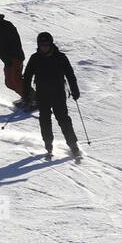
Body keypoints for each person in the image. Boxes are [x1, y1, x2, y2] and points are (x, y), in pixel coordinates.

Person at [23, 31, 82, 160]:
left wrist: (75, 90)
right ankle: (48, 146)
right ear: (38, 45)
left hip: (58, 93)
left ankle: (73, 145)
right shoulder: (35, 58)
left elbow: (70, 75)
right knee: (44, 120)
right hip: (42, 94)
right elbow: (27, 76)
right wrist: (26, 93)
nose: (44, 46)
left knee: (63, 119)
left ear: (51, 44)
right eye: (41, 44)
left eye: (46, 44)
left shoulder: (60, 57)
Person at [0, 6, 31, 108]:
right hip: (7, 60)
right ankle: (26, 97)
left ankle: (33, 99)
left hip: (15, 57)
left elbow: (15, 42)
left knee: (16, 80)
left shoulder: (6, 25)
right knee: (9, 83)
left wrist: (11, 57)